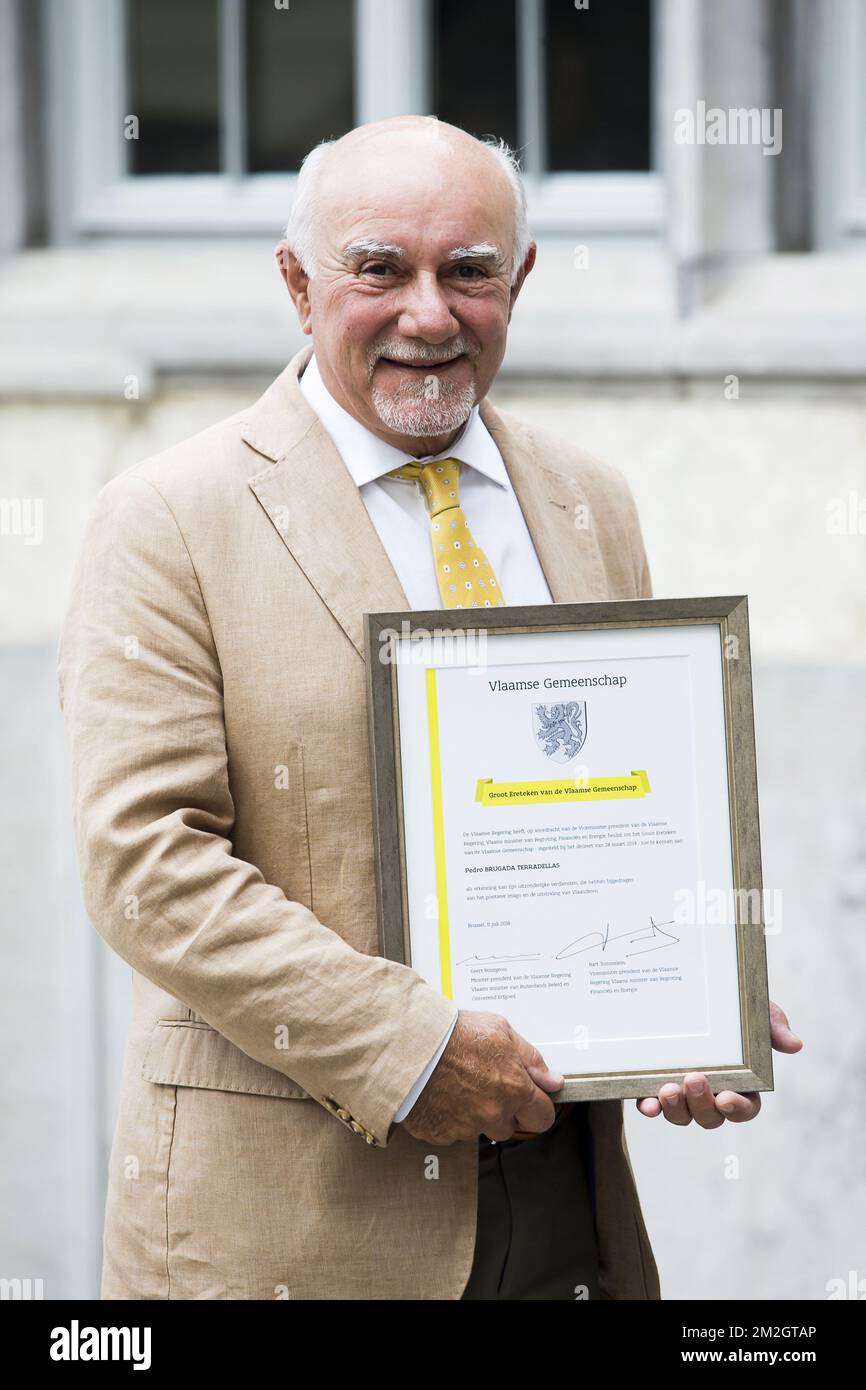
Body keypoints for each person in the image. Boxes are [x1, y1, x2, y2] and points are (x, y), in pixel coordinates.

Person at [57, 116, 802, 1301]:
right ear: (297, 285)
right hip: (294, 1223)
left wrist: (683, 999)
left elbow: (624, 802)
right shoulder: (168, 518)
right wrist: (413, 1051)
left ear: (519, 281)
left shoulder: (586, 502)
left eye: (468, 271)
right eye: (378, 268)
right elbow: (147, 866)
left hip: (562, 1210)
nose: (428, 314)